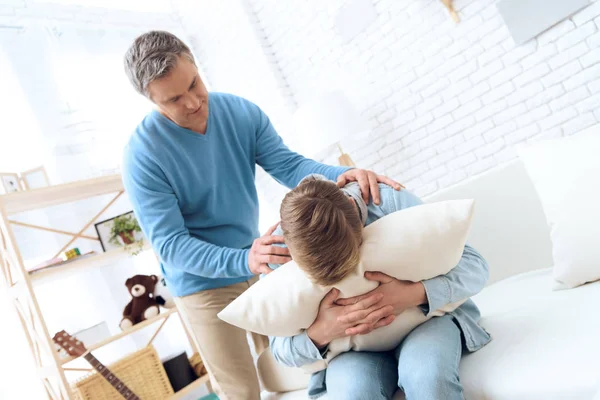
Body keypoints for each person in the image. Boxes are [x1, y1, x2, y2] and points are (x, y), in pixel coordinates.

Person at [120, 30, 401, 400]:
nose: (192, 102)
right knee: (241, 390)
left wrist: (339, 175)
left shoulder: (239, 111)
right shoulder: (142, 156)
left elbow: (286, 164)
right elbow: (172, 246)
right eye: (174, 99)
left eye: (194, 83)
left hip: (260, 261)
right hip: (201, 284)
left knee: (300, 363)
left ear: (195, 65)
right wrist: (244, 259)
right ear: (151, 100)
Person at [269, 175, 492, 399]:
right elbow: (280, 350)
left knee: (427, 378)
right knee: (354, 394)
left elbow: (475, 267)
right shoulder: (276, 250)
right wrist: (323, 330)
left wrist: (412, 294)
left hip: (426, 325)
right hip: (351, 353)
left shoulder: (387, 202)